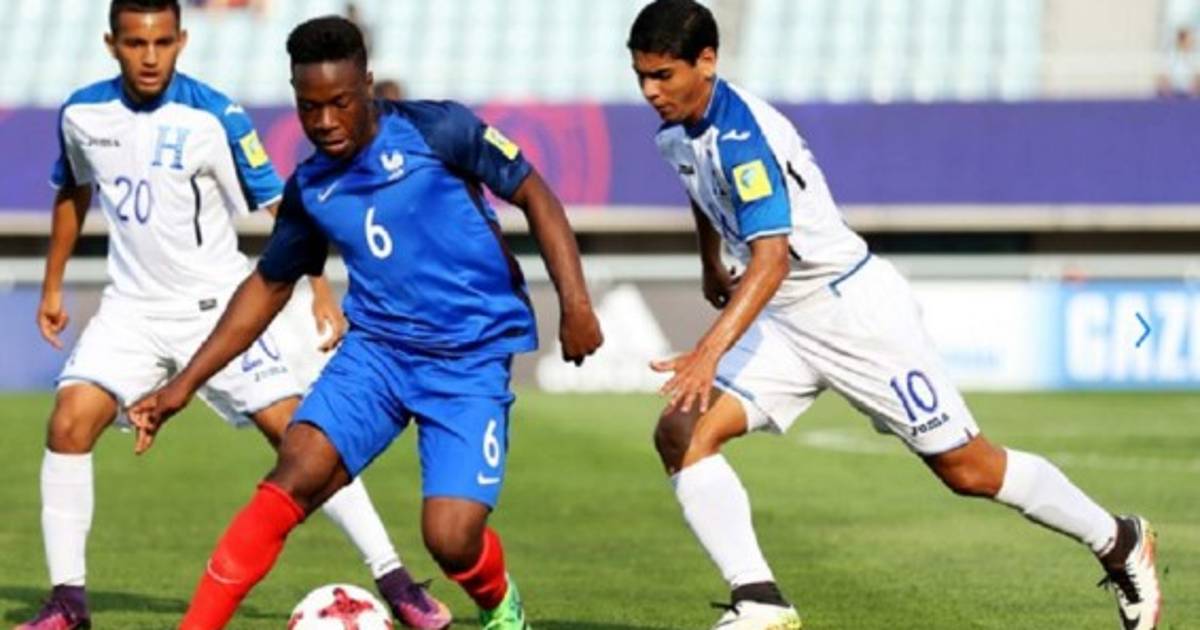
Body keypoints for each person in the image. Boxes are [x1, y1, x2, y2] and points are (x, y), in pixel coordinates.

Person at [628, 2, 1162, 629]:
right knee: (681, 433)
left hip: (852, 315)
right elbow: (699, 185)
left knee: (967, 469)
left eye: (662, 75)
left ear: (707, 61)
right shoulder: (676, 130)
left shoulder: (744, 138)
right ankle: (760, 601)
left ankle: (1118, 539)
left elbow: (771, 261)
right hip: (786, 322)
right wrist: (711, 263)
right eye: (641, 76)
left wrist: (708, 351)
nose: (650, 91)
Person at [129, 15, 603, 630]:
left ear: (367, 86)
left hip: (468, 358)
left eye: (340, 103)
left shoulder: (439, 130)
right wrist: (183, 385)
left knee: (451, 538)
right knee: (294, 472)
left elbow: (535, 193)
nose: (325, 121)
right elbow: (268, 285)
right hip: (377, 354)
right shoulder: (311, 188)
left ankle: (498, 602)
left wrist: (576, 304)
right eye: (309, 107)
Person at [20, 2, 449, 629]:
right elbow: (73, 190)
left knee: (304, 442)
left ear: (181, 40)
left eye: (162, 42)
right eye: (136, 43)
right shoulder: (83, 114)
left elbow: (282, 206)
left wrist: (319, 289)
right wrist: (52, 285)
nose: (149, 56)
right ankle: (68, 602)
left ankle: (396, 579)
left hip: (217, 311)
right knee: (67, 423)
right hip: (131, 311)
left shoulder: (215, 117)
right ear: (112, 44)